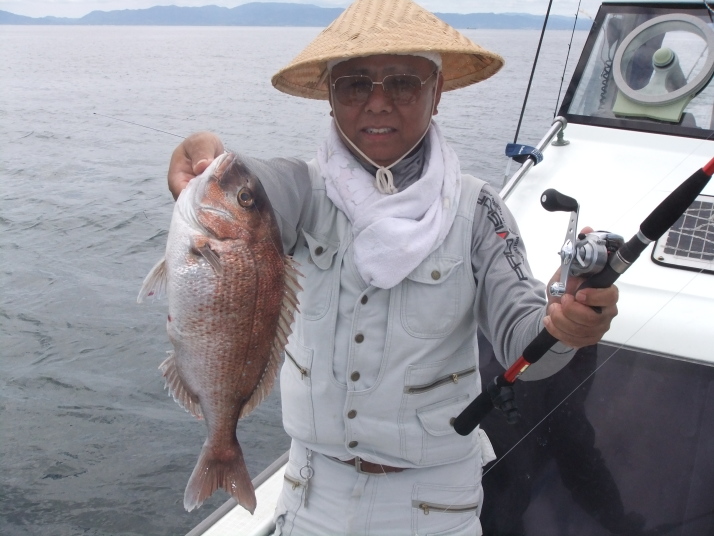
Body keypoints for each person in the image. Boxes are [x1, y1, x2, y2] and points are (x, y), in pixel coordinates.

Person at [166, 0, 619, 534]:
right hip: (312, 495)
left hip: (434, 507)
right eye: (354, 85)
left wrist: (566, 324)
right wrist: (201, 157)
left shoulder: (478, 210)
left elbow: (526, 341)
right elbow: (247, 191)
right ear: (330, 98)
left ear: (437, 91)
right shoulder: (301, 190)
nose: (377, 103)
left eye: (403, 83)